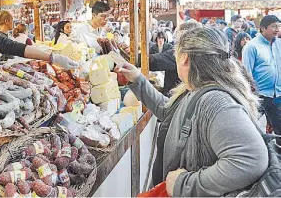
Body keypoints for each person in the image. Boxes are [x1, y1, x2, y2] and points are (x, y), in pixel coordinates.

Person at [117, 28, 268, 197]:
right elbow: (170, 113)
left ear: (184, 58)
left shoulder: (216, 101)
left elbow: (250, 160)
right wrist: (138, 80)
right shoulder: (197, 90)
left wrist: (185, 184)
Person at [242, 15, 281, 144]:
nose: (277, 29)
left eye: (278, 26)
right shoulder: (251, 47)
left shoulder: (279, 44)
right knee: (250, 126)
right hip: (259, 96)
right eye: (274, 26)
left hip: (277, 95)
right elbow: (246, 72)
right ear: (263, 28)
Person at [148, 21, 202, 96]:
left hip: (177, 97)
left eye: (178, 34)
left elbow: (153, 61)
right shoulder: (200, 52)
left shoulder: (181, 53)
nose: (176, 37)